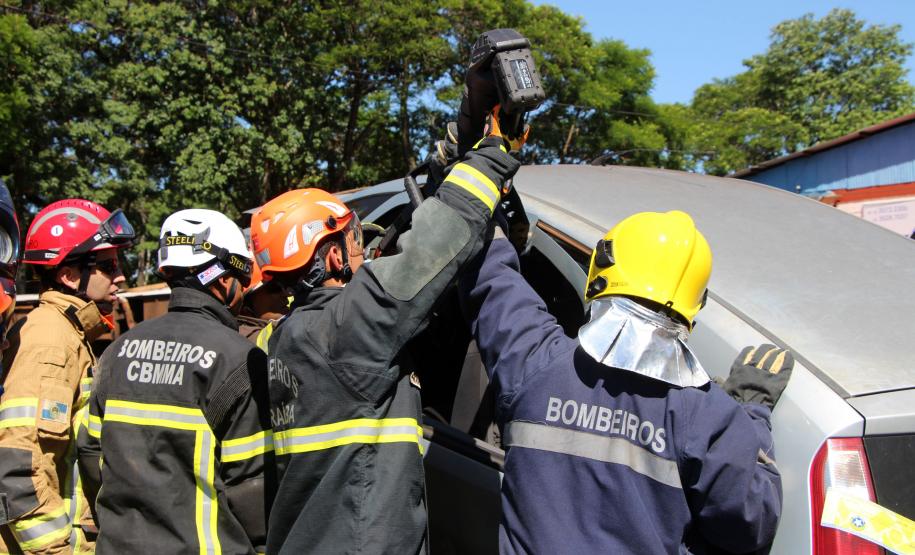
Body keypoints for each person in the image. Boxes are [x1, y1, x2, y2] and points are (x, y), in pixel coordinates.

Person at [251, 121, 522, 553]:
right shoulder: (347, 327)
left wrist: (440, 175)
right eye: (354, 239)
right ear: (334, 254)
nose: (364, 250)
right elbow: (433, 246)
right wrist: (493, 155)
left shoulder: (285, 337)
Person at [459, 210, 790, 554]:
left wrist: (480, 206)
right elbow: (750, 524)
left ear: (601, 270)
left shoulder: (535, 359)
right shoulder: (707, 414)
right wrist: (752, 418)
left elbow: (491, 284)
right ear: (697, 303)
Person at [76, 209, 274, 554]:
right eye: (241, 280)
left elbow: (92, 457)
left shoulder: (116, 354)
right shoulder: (240, 359)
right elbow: (251, 489)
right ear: (223, 280)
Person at [1, 199, 135, 553]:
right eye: (108, 266)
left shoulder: (71, 333)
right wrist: (55, 549)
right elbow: (18, 462)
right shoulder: (50, 340)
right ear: (69, 275)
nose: (120, 276)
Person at [236, 263, 289, 352]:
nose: (286, 294)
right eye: (274, 288)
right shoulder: (243, 339)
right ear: (246, 309)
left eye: (283, 285)